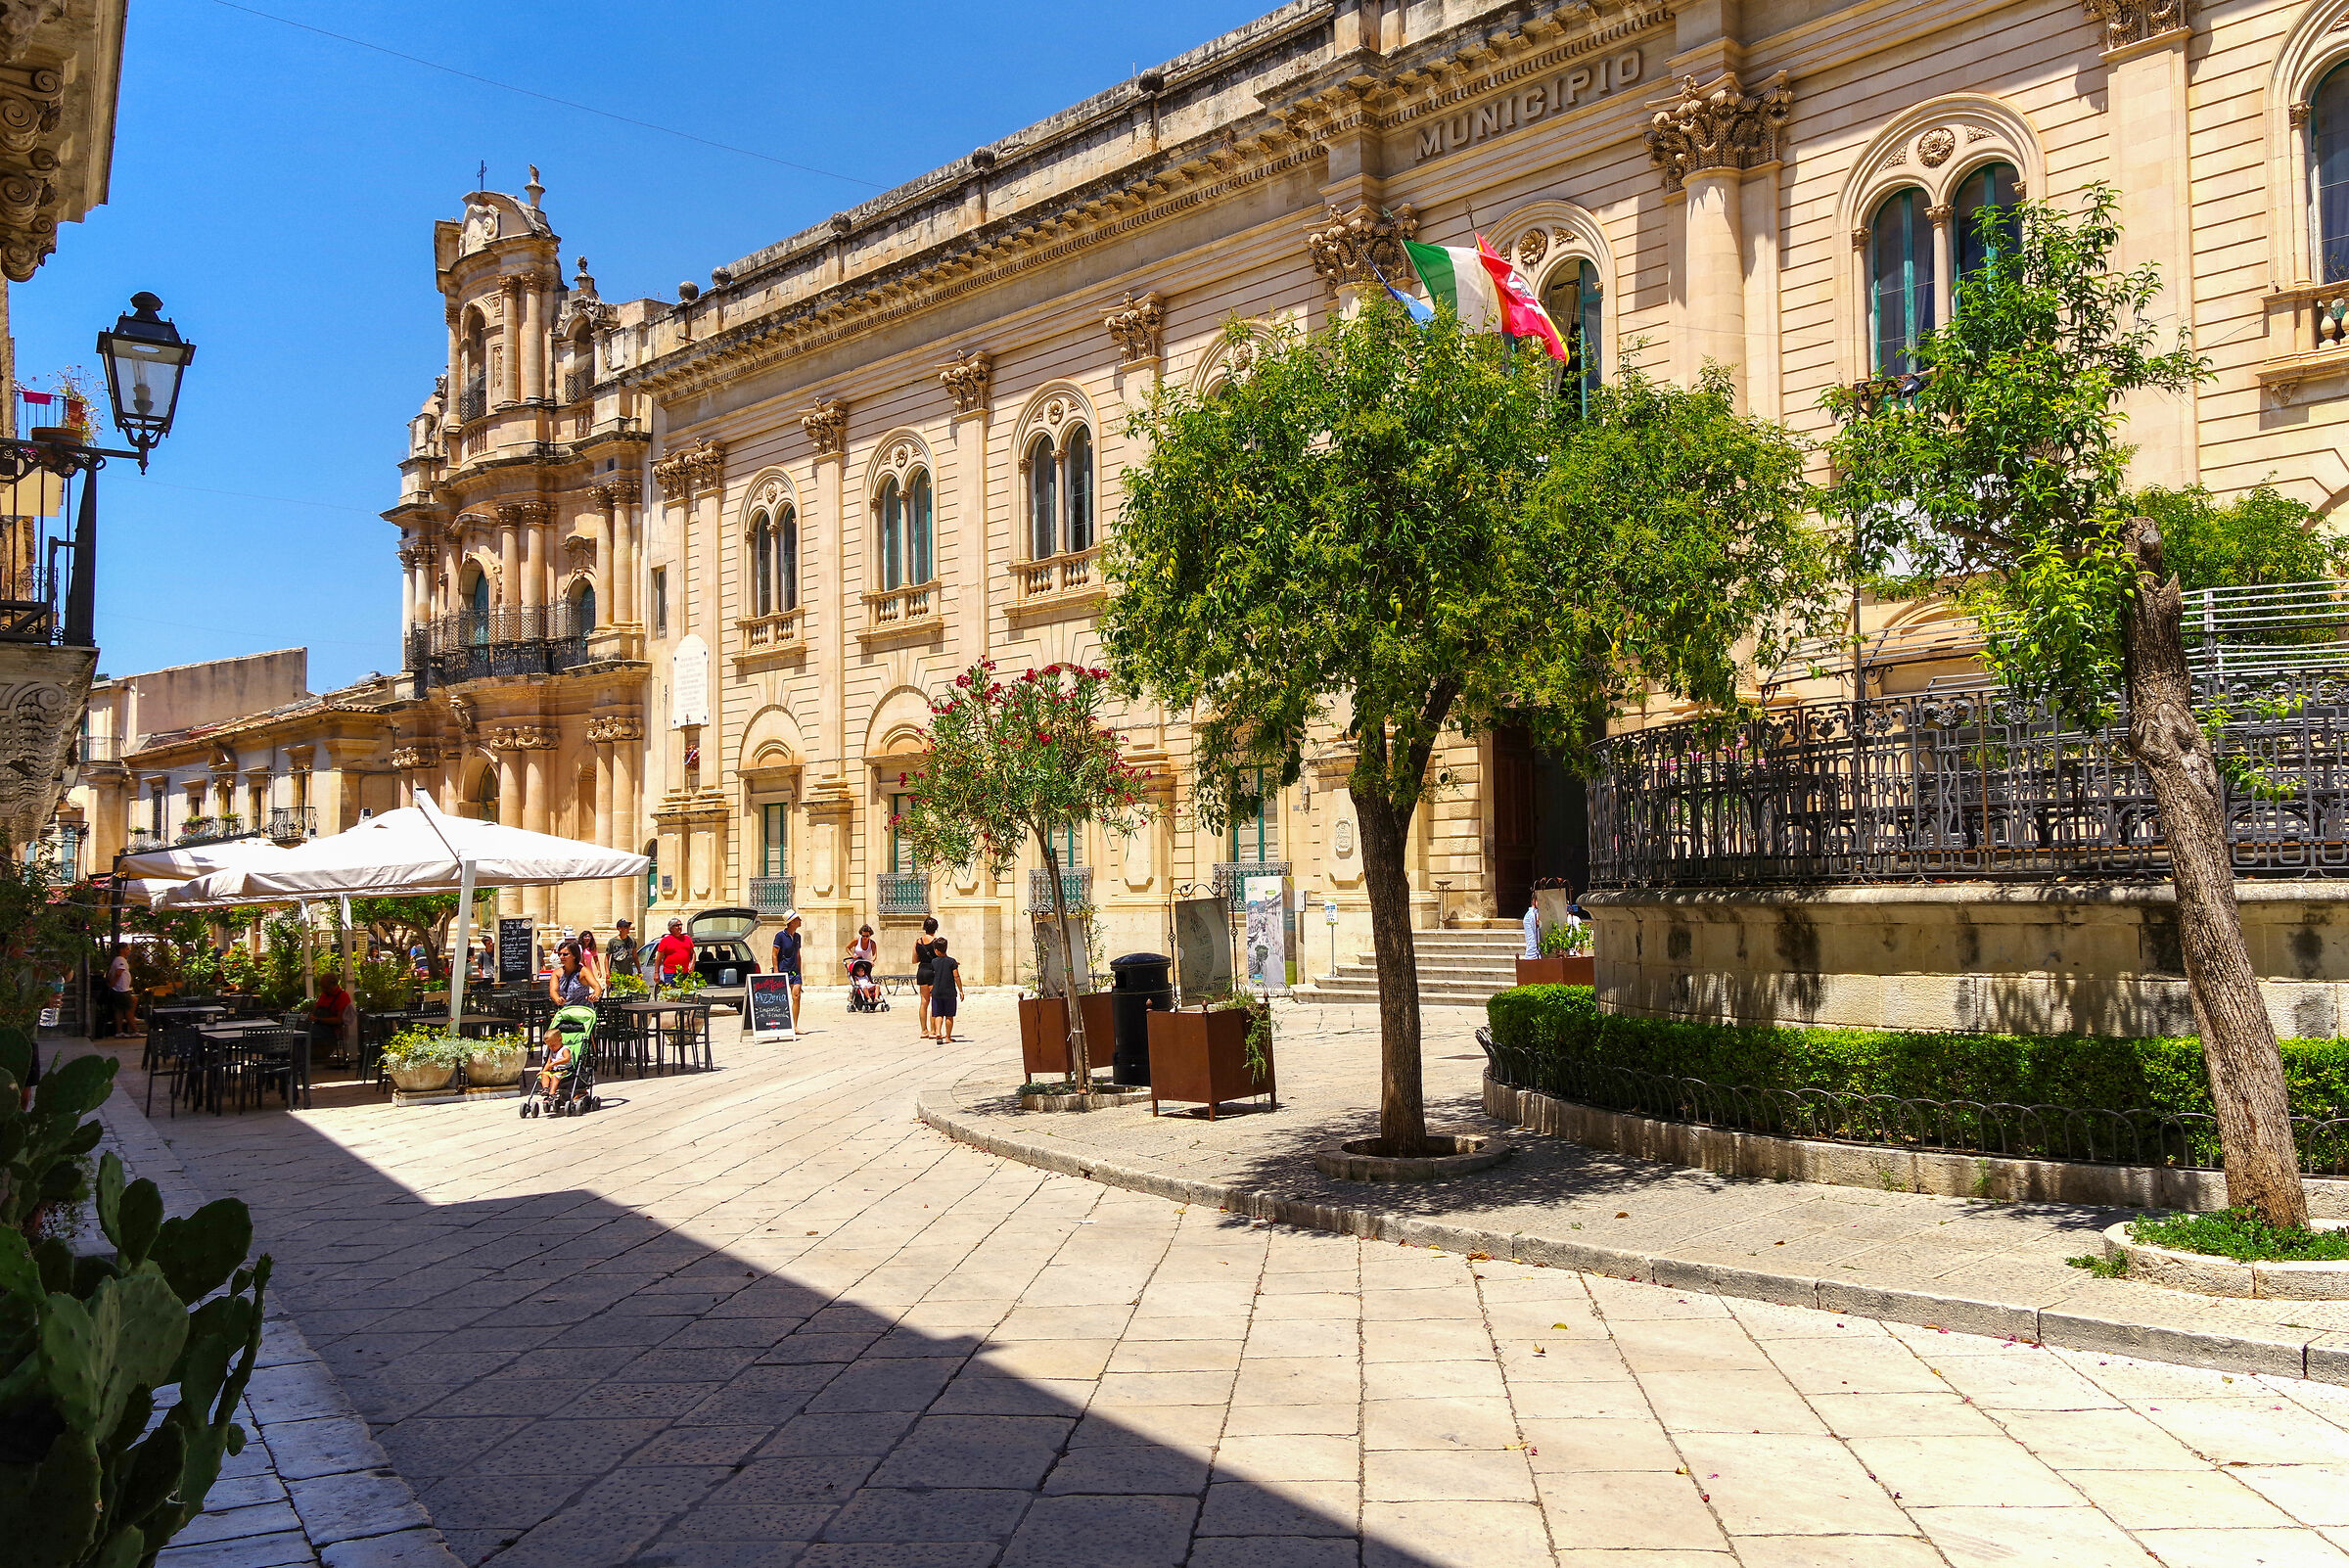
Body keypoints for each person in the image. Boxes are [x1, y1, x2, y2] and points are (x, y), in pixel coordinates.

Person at [538, 940, 603, 1097]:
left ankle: (581, 1085)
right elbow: (553, 990)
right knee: (559, 1045)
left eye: (565, 954)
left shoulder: (582, 971)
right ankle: (558, 1082)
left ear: (574, 955)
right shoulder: (557, 973)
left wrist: (595, 995)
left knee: (583, 1049)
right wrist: (557, 999)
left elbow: (596, 986)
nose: (561, 957)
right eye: (560, 954)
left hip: (582, 1015)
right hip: (565, 1014)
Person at [771, 910, 805, 1028]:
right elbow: (774, 954)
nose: (800, 920)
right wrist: (776, 971)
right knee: (781, 999)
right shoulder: (780, 936)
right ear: (792, 922)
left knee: (796, 996)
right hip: (783, 970)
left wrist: (799, 972)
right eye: (798, 919)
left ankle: (794, 1026)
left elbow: (798, 954)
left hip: (794, 971)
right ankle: (781, 1024)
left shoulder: (798, 937)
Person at [928, 936, 962, 1041]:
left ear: (936, 950)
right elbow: (956, 976)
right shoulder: (952, 962)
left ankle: (938, 1032)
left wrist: (930, 988)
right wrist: (961, 990)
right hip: (949, 992)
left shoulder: (933, 962)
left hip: (937, 992)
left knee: (938, 1014)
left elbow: (931, 976)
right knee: (949, 1016)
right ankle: (948, 1037)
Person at [914, 916, 940, 1039]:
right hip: (932, 971)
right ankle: (933, 1030)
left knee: (924, 1002)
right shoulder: (937, 941)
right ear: (936, 928)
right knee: (934, 1001)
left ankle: (924, 1030)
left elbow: (914, 959)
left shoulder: (918, 941)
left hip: (921, 970)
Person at [652, 918, 695, 989]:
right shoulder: (665, 940)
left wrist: (692, 964)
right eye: (677, 925)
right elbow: (658, 958)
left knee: (686, 993)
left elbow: (693, 953)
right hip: (670, 973)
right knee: (672, 993)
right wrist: (656, 973)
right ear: (671, 928)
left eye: (680, 925)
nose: (679, 927)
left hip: (685, 972)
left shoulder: (687, 938)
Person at [104, 942, 135, 1039]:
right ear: (122, 950)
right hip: (122, 989)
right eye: (127, 949)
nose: (129, 951)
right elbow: (118, 972)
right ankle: (135, 1030)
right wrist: (113, 983)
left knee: (119, 1010)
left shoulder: (118, 960)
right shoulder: (121, 960)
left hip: (120, 988)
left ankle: (119, 1031)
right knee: (128, 1009)